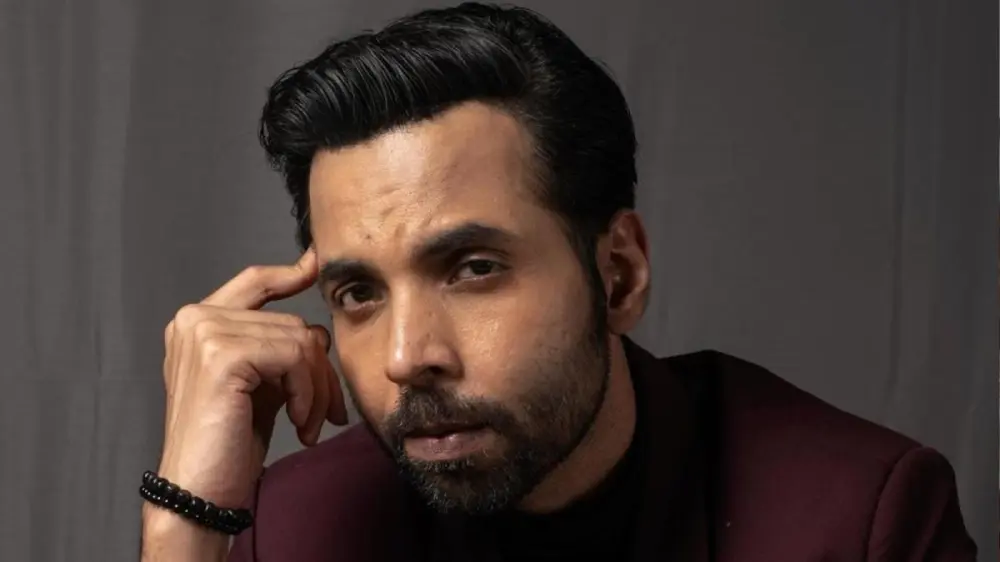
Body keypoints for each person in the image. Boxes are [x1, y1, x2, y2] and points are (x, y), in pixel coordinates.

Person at [138, 3, 977, 561]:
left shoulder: (858, 520)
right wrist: (182, 527)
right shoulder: (297, 528)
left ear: (619, 275)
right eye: (360, 293)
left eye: (473, 269)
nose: (405, 357)